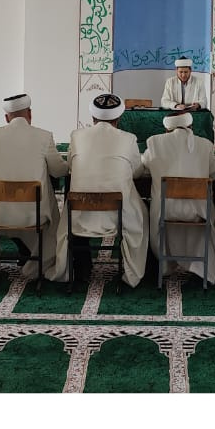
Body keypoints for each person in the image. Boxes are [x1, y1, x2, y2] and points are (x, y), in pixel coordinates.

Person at [60, 94, 148, 287]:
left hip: (80, 215)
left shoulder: (76, 136)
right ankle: (140, 270)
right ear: (119, 118)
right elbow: (137, 172)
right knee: (144, 213)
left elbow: (71, 166)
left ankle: (82, 267)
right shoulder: (128, 139)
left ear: (92, 117)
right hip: (117, 216)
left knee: (74, 205)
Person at [0, 93, 68, 280]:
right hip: (34, 214)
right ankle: (35, 265)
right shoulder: (44, 136)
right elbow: (58, 171)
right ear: (30, 114)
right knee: (52, 212)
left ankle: (15, 254)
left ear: (6, 117)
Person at [143, 109, 215, 285]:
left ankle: (161, 267)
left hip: (164, 212)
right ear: (190, 126)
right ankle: (201, 268)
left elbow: (144, 166)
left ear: (166, 129)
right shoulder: (205, 145)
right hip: (199, 213)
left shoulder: (154, 143)